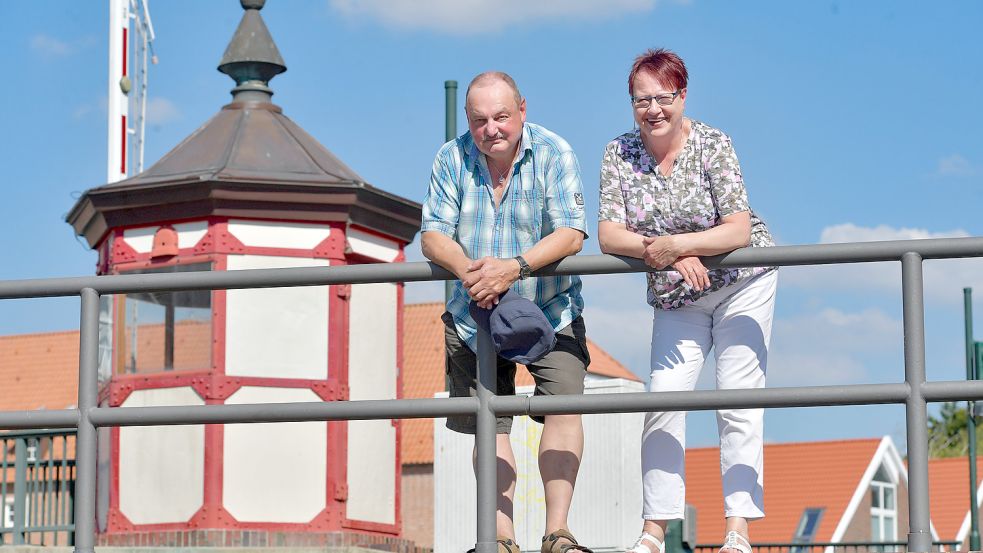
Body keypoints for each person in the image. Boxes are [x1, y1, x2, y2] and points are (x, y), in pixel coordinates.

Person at [596, 49, 778, 553]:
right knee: (664, 401)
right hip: (678, 294)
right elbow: (609, 235)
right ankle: (655, 530)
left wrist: (682, 245)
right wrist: (671, 256)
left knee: (737, 399)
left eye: (663, 98)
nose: (653, 110)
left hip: (743, 280)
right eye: (642, 100)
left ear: (683, 96)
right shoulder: (619, 153)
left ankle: (738, 529)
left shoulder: (714, 144)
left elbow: (738, 229)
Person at [421, 71, 593, 553]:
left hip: (550, 306)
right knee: (489, 422)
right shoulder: (450, 156)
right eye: (479, 120)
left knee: (565, 408)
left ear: (522, 109)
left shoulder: (554, 152)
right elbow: (433, 234)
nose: (491, 129)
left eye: (501, 116)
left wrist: (512, 270)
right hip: (472, 312)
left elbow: (573, 233)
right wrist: (475, 275)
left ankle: (557, 534)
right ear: (468, 120)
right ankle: (500, 540)